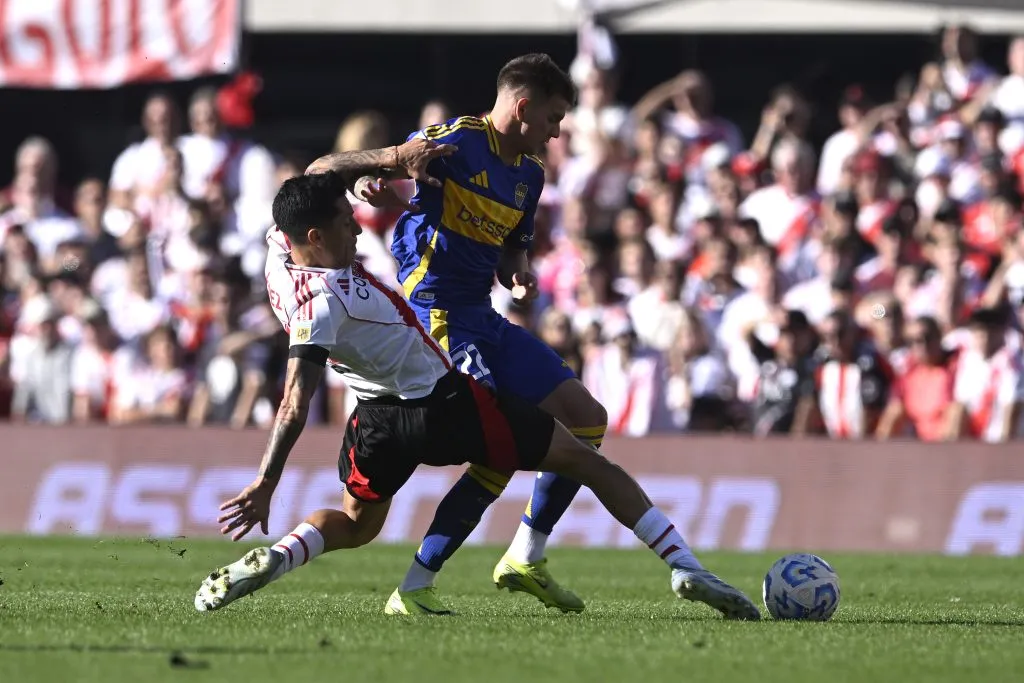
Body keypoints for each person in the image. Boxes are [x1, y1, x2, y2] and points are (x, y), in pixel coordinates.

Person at [192, 171, 760, 621]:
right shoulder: (325, 304)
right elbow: (293, 403)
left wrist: (364, 174)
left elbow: (309, 187)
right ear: (315, 238)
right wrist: (266, 481)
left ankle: (282, 556)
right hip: (443, 404)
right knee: (585, 459)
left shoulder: (278, 257)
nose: (358, 232)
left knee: (357, 525)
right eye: (346, 223)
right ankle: (685, 565)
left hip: (376, 422)